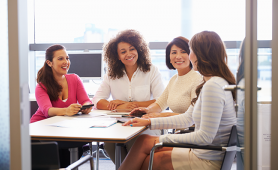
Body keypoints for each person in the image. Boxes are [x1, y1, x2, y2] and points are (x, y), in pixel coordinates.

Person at [120, 31, 237, 170]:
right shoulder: (212, 83)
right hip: (203, 152)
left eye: (190, 50)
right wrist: (149, 121)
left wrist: (161, 139)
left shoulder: (213, 86)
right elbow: (188, 118)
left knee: (147, 159)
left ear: (201, 55)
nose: (189, 55)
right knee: (143, 141)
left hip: (207, 160)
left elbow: (205, 137)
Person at [92, 29, 165, 163]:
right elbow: (97, 100)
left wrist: (134, 105)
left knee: (134, 142)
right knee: (109, 144)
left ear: (138, 50)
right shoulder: (111, 74)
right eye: (123, 51)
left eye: (132, 49)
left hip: (146, 123)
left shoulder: (151, 70)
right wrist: (118, 106)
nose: (129, 54)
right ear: (117, 56)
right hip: (119, 124)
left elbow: (161, 100)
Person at [30, 44, 92, 167]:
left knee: (71, 156)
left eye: (67, 58)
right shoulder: (42, 86)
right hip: (41, 130)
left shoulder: (74, 79)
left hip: (64, 129)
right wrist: (66, 111)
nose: (66, 62)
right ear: (49, 62)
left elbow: (86, 100)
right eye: (60, 59)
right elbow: (47, 111)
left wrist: (87, 106)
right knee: (58, 162)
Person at [129, 36, 202, 120]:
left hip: (191, 131)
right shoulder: (174, 79)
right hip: (177, 130)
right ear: (169, 58)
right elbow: (160, 104)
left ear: (191, 55)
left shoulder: (197, 79)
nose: (178, 56)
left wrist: (162, 115)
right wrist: (146, 110)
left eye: (183, 52)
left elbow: (194, 115)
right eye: (174, 53)